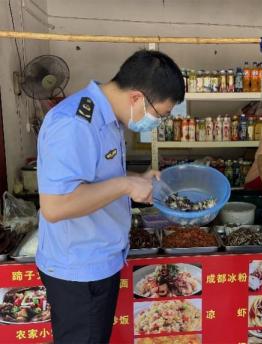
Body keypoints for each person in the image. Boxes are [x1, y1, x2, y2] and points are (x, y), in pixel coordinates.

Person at [36, 50, 185, 343]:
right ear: (136, 98)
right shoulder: (75, 124)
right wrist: (126, 187)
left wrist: (134, 180)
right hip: (78, 271)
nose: (159, 122)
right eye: (161, 114)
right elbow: (55, 206)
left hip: (99, 259)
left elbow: (97, 180)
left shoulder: (110, 119)